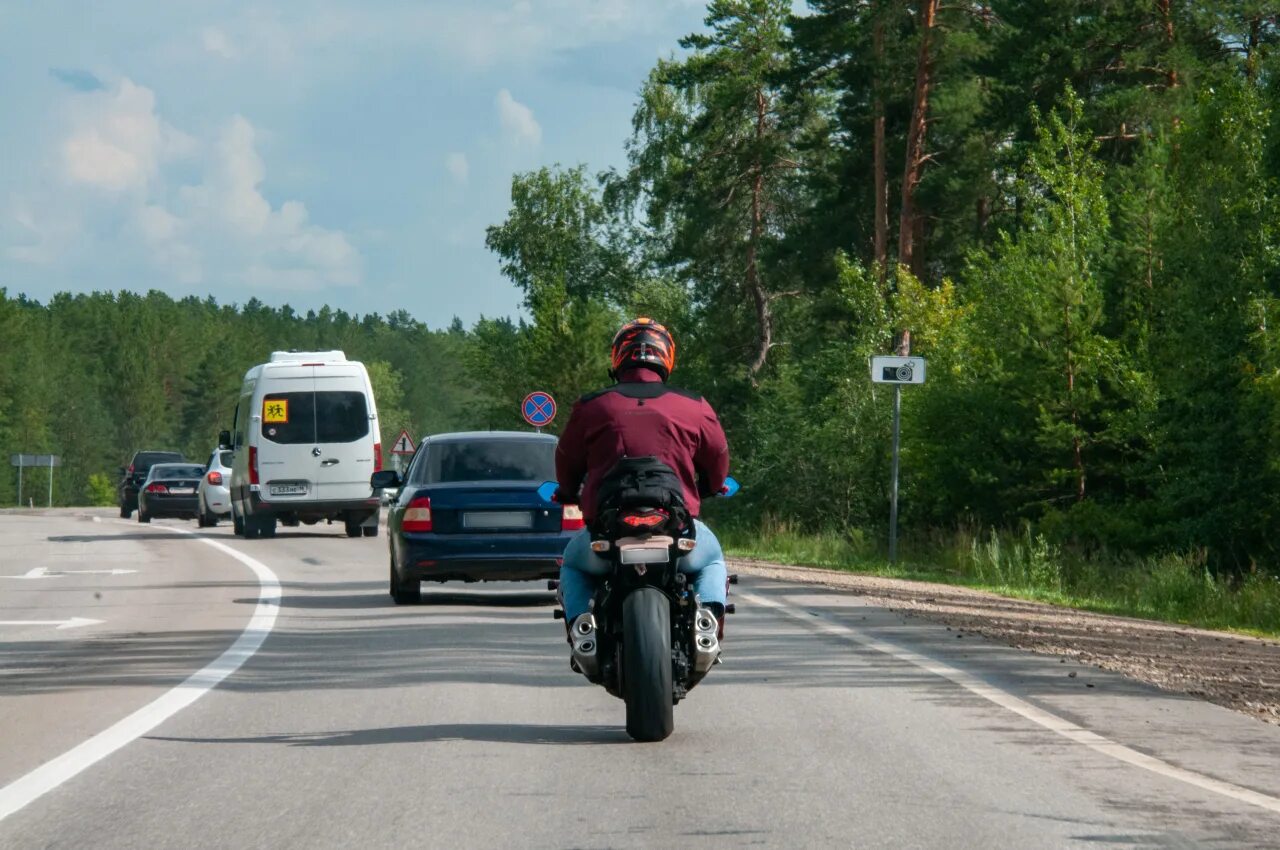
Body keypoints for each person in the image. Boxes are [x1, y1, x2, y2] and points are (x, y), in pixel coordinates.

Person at [555, 317, 731, 637]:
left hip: (607, 533)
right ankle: (707, 618)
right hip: (675, 527)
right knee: (712, 559)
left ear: (619, 356)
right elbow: (718, 457)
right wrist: (712, 486)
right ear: (666, 356)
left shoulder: (591, 406)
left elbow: (566, 460)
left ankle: (582, 625)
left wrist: (567, 491)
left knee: (573, 564)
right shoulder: (694, 405)